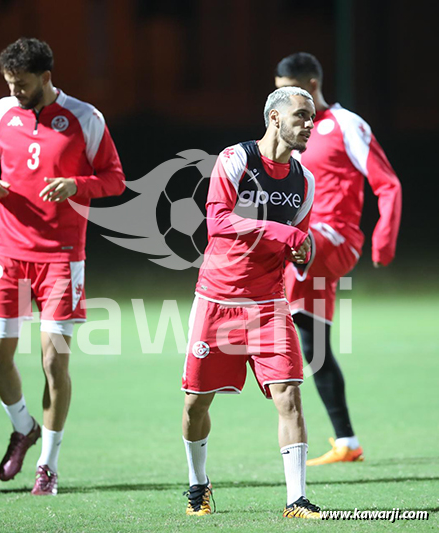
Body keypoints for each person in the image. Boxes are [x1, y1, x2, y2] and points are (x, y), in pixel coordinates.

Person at [0, 37, 126, 495]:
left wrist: (76, 185)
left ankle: (48, 465)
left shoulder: (85, 119)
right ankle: (23, 427)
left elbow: (114, 178)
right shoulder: (2, 113)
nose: (15, 93)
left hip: (60, 259)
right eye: (9, 85)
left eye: (21, 85)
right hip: (8, 253)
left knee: (53, 361)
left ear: (45, 77)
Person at [181, 87, 323, 519]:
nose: (310, 124)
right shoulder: (236, 160)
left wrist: (304, 250)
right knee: (195, 403)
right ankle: (198, 484)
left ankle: (296, 500)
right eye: (301, 116)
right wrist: (289, 237)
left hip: (268, 305)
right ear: (275, 119)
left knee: (290, 396)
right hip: (217, 301)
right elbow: (218, 221)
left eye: (312, 117)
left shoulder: (305, 180)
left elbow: (299, 241)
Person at [275, 52, 402, 465]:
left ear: (310, 87)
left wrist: (383, 241)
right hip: (310, 250)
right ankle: (347, 441)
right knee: (315, 348)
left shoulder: (345, 125)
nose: (281, 105)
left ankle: (246, 323)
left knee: (273, 250)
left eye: (287, 94)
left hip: (335, 240)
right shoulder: (291, 133)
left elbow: (388, 184)